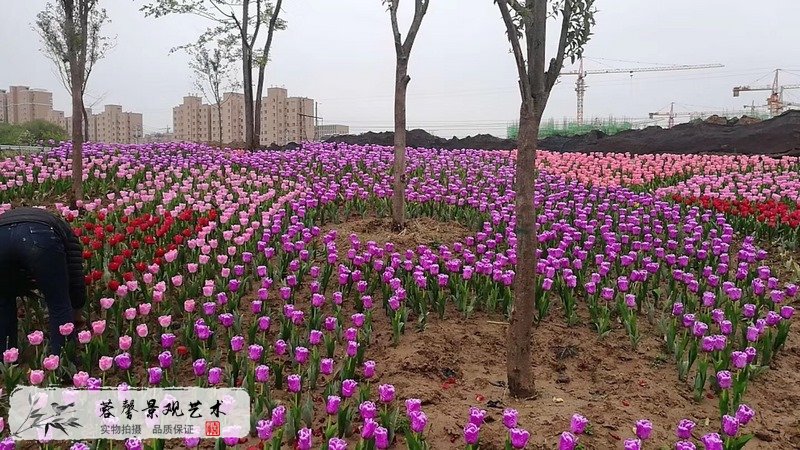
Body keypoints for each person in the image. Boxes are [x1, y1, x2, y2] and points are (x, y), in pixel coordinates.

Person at [0, 207, 86, 355]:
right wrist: (76, 308)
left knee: (3, 301)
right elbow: (75, 274)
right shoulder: (67, 234)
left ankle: (6, 358)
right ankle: (63, 363)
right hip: (39, 236)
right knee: (59, 303)